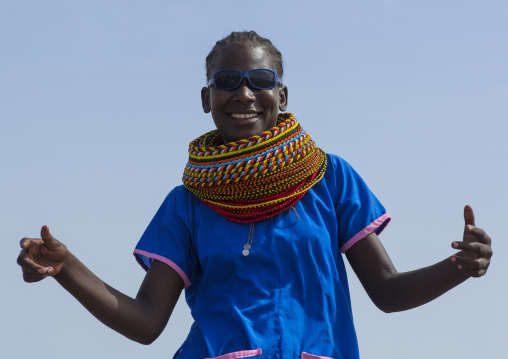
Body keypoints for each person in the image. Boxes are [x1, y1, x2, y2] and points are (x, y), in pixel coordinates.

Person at [17, 31, 492, 359]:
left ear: (282, 97)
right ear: (206, 99)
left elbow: (387, 291)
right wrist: (66, 269)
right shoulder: (188, 204)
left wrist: (458, 267)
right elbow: (145, 323)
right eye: (226, 82)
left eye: (260, 81)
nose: (243, 93)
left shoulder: (329, 178)